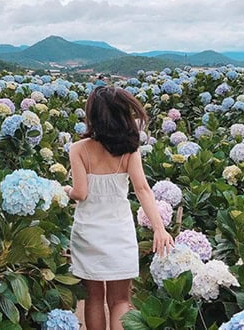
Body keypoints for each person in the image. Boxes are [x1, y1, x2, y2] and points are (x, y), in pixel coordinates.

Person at [66, 86, 175, 330]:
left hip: (88, 232)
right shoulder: (129, 150)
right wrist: (159, 228)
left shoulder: (78, 149)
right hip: (119, 232)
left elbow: (80, 193)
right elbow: (143, 189)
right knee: (120, 300)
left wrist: (67, 192)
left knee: (92, 298)